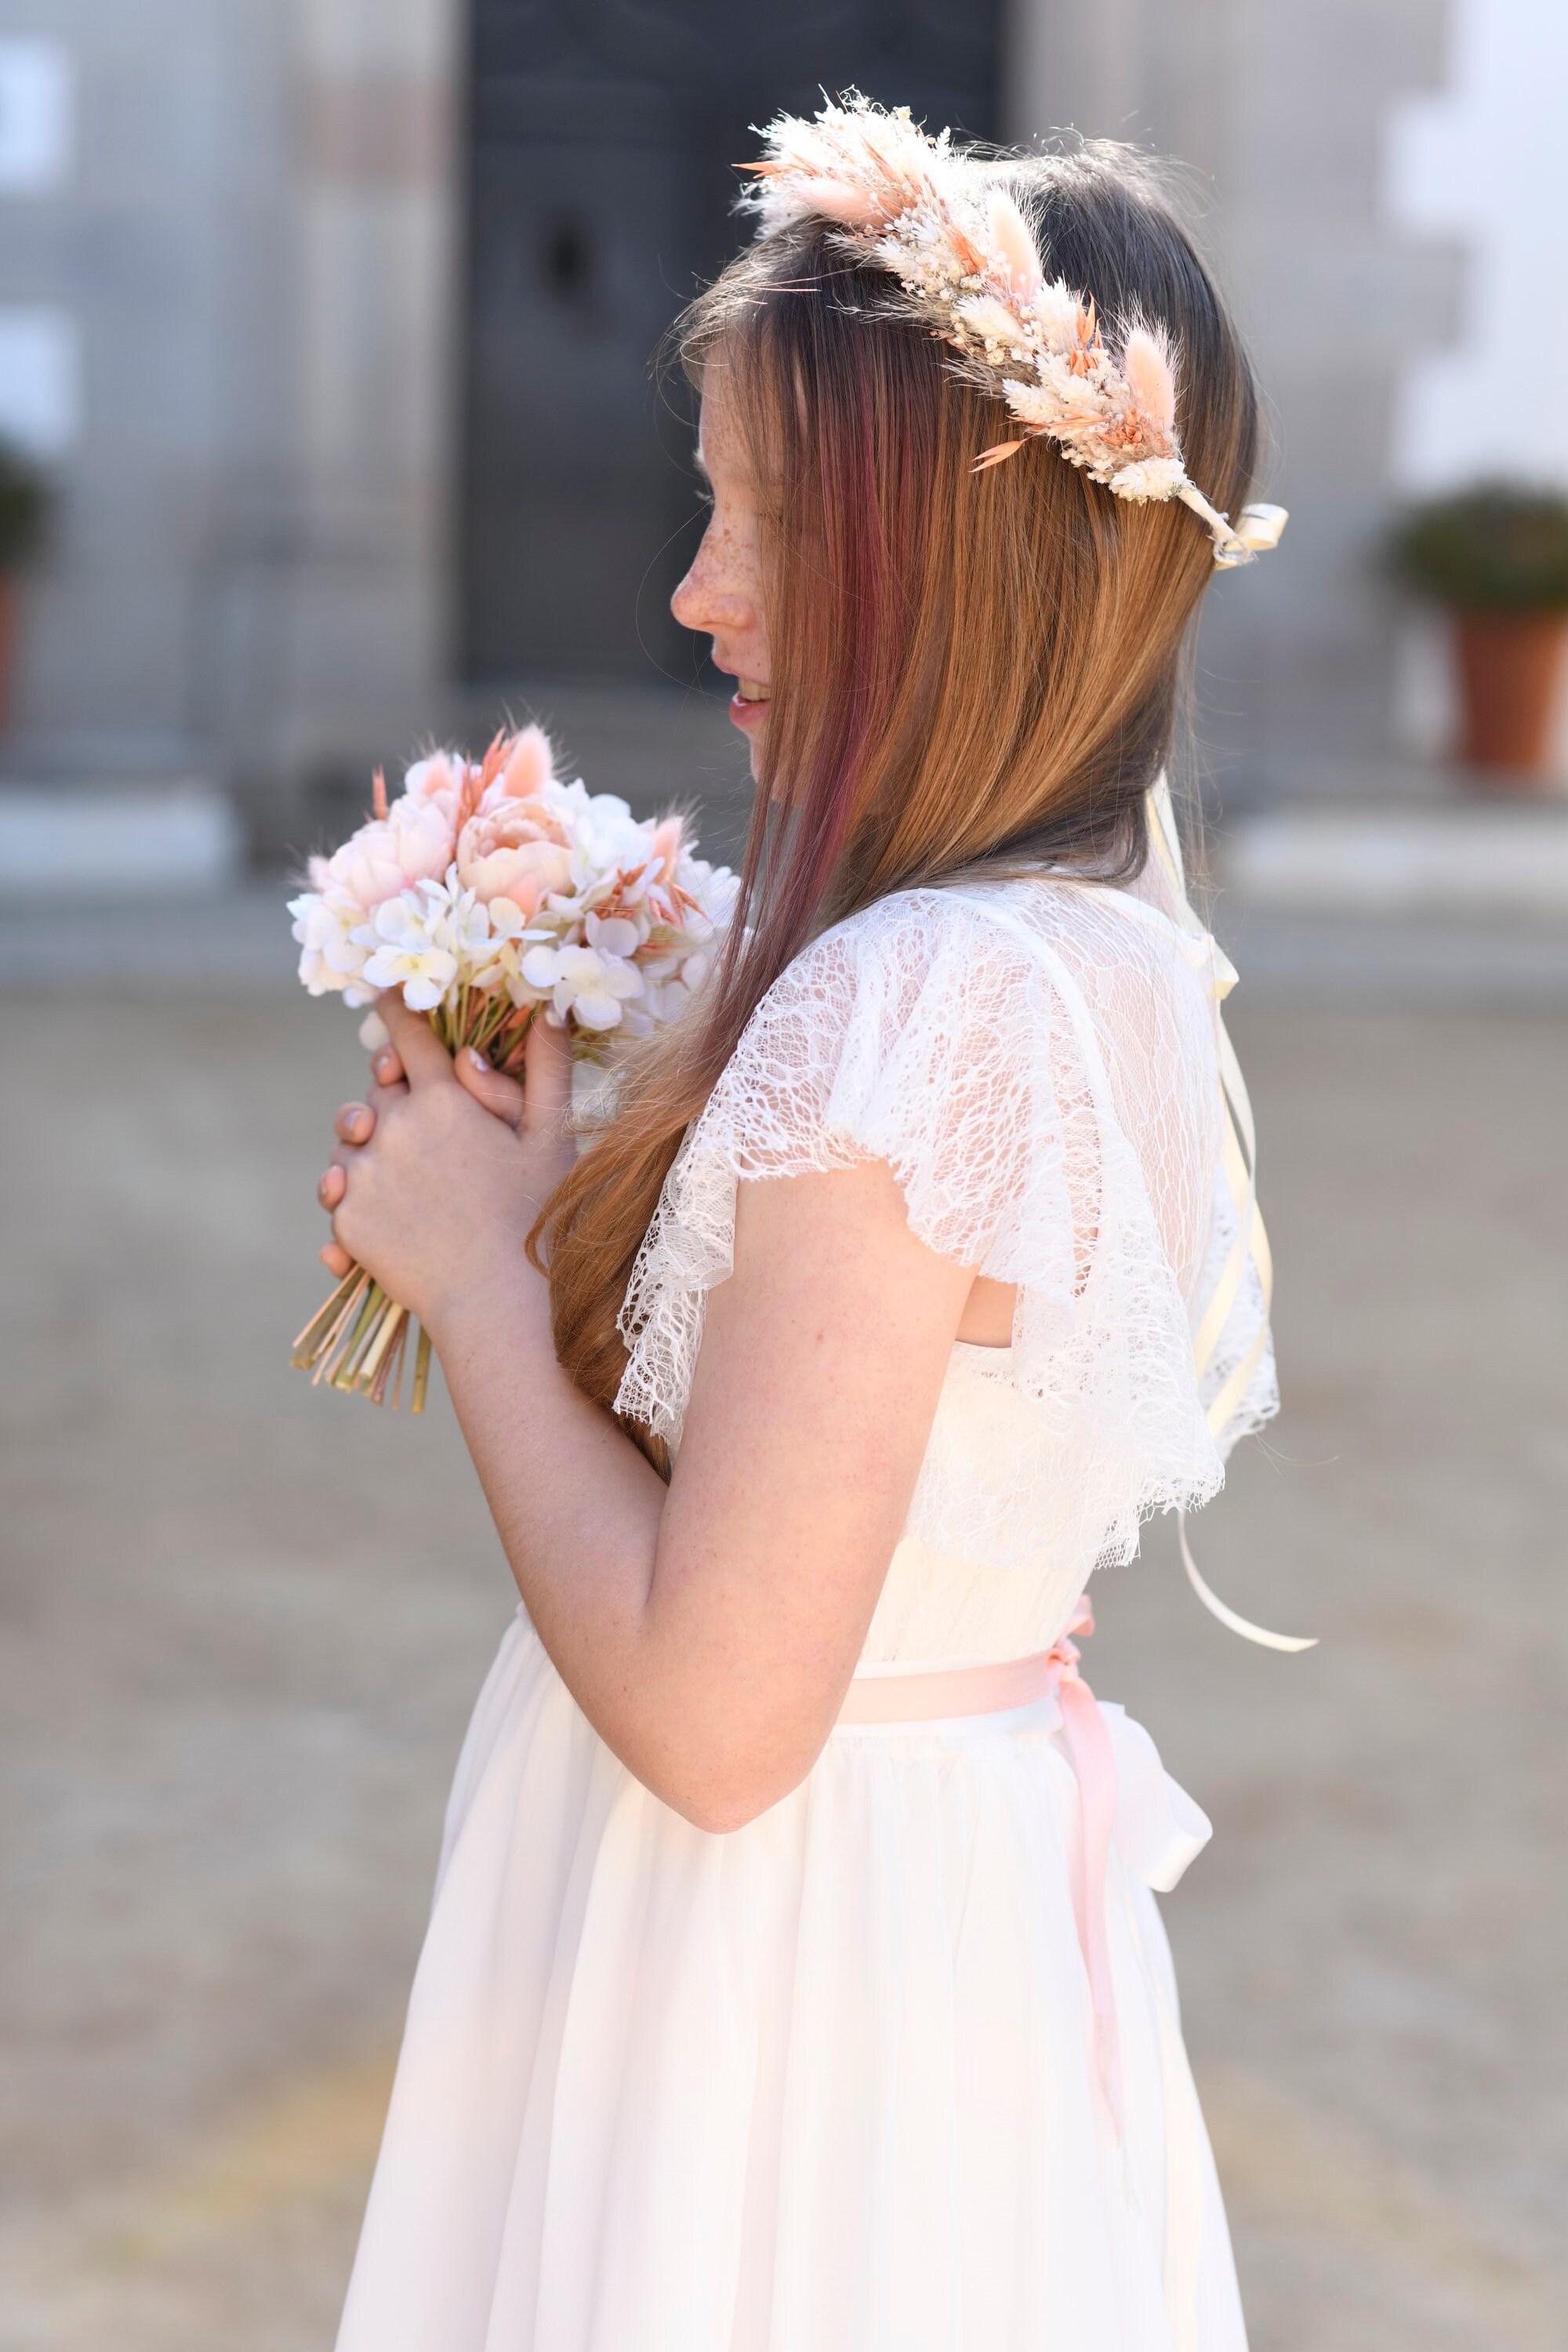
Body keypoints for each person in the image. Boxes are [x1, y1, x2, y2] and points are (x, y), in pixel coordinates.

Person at [320, 96, 1298, 2352]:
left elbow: (719, 1709)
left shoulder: (907, 1005)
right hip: (927, 1940)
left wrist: (472, 1278)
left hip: (780, 1986)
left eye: (759, 523)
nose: (692, 593)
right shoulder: (1107, 967)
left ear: (943, 564)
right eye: (706, 508)